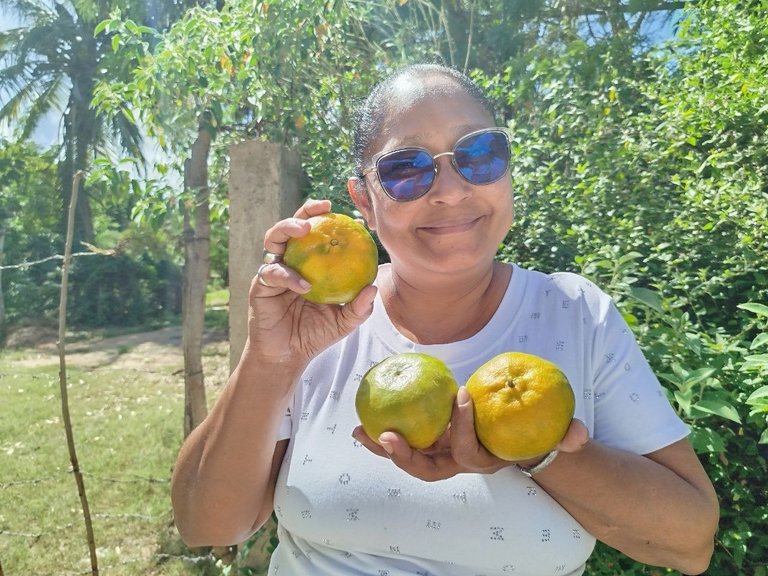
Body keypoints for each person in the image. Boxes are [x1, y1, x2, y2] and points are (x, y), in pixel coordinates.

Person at [170, 63, 719, 575]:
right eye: (407, 169)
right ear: (363, 199)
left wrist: (535, 450)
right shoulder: (317, 319)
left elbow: (689, 542)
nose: (452, 192)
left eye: (479, 154)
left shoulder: (577, 314)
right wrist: (269, 361)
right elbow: (207, 524)